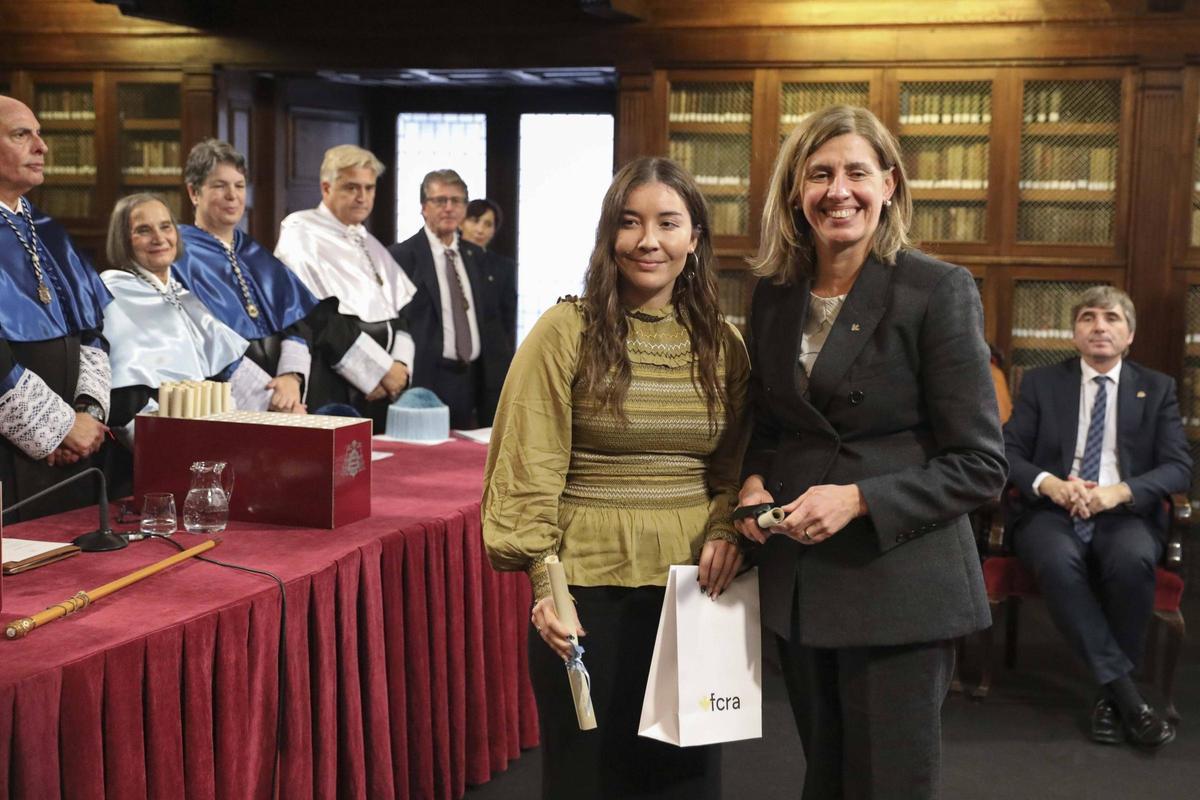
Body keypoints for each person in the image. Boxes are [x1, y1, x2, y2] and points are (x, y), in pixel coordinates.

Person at [734, 105, 1006, 799]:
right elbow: (768, 423)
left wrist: (859, 499)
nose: (838, 190)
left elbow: (980, 464)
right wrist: (752, 485)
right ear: (796, 191)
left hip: (899, 586)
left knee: (889, 786)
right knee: (823, 779)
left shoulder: (936, 290)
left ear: (889, 184)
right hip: (801, 582)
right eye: (819, 174)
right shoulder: (774, 295)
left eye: (857, 172)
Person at [482, 156, 749, 800]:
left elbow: (736, 465)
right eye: (630, 223)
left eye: (667, 223)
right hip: (584, 589)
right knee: (588, 777)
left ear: (695, 238)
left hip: (695, 590)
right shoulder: (563, 331)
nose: (648, 240)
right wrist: (547, 587)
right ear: (609, 236)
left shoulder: (724, 343)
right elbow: (527, 465)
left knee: (684, 780)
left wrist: (727, 533)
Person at [1003, 285, 1189, 749]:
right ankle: (1127, 697)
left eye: (1111, 318)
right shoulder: (1043, 383)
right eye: (1088, 317)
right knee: (1057, 558)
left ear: (1129, 336)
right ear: (1075, 333)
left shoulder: (1157, 387)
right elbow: (1005, 452)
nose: (1099, 326)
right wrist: (1051, 483)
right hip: (1051, 511)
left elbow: (1178, 465)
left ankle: (1109, 698)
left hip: (1123, 511)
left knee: (1131, 560)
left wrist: (1119, 492)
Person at [174, 139, 399, 415]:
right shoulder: (178, 256)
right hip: (225, 402)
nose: (233, 195)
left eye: (239, 185)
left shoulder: (255, 254)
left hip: (286, 400)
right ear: (194, 192)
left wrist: (292, 378)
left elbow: (296, 325)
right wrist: (266, 397)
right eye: (220, 186)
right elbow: (200, 342)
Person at [0, 95, 113, 520]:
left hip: (70, 459)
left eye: (39, 134)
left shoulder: (49, 230)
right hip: (9, 457)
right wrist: (60, 428)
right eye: (21, 135)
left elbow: (92, 330)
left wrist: (86, 414)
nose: (41, 147)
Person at [99, 193, 248, 493]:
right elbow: (126, 397)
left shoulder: (181, 293)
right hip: (148, 457)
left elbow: (222, 367)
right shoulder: (113, 290)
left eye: (166, 227)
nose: (159, 238)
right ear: (123, 239)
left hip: (204, 442)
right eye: (143, 230)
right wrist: (178, 454)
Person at [275, 144, 415, 431]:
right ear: (326, 188)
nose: (362, 197)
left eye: (369, 188)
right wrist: (376, 373)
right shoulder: (301, 231)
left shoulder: (368, 241)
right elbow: (316, 315)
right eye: (351, 187)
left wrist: (399, 368)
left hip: (382, 389)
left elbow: (400, 313)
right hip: (334, 380)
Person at [388, 170, 514, 428]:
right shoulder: (401, 256)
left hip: (473, 380)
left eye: (456, 201)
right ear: (424, 207)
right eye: (440, 200)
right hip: (424, 379)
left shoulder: (476, 257)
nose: (448, 208)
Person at [460, 197, 516, 350]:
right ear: (461, 223)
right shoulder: (448, 258)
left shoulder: (504, 267)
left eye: (488, 224)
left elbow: (508, 319)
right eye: (474, 221)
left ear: (494, 230)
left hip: (493, 352)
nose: (480, 229)